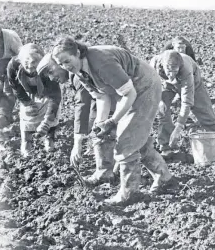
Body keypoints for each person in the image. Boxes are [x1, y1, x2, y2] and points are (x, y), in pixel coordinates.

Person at [50, 37, 173, 204]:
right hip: (126, 92)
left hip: (144, 86)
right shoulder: (78, 71)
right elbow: (101, 96)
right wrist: (100, 124)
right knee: (135, 136)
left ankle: (129, 193)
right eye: (61, 64)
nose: (66, 66)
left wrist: (113, 120)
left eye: (67, 60)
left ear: (77, 53)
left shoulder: (101, 63)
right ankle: (163, 177)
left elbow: (130, 94)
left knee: (127, 140)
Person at [37, 57, 118, 184]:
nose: (52, 79)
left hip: (122, 97)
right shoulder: (74, 74)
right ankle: (111, 167)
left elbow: (82, 105)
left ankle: (106, 173)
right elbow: (91, 104)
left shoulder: (77, 76)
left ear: (59, 64)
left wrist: (77, 144)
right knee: (98, 128)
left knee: (103, 130)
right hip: (108, 99)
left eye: (51, 72)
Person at [151, 50, 215, 153]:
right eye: (169, 72)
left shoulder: (186, 70)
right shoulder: (154, 63)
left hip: (193, 83)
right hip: (166, 85)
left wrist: (178, 127)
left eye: (175, 72)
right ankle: (166, 145)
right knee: (162, 110)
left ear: (179, 67)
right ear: (163, 65)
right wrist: (158, 100)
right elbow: (151, 85)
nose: (171, 75)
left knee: (204, 111)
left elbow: (186, 102)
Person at [7, 44, 62, 157]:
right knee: (27, 114)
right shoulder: (13, 66)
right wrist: (27, 102)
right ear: (22, 63)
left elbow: (55, 97)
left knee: (50, 110)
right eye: (29, 68)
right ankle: (26, 141)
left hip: (46, 91)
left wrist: (46, 122)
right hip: (26, 90)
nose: (32, 71)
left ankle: (50, 138)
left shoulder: (48, 67)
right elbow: (15, 87)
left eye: (35, 68)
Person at [0, 23, 23, 130]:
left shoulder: (10, 37)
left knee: (9, 90)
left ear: (0, 31)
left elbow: (21, 54)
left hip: (12, 63)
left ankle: (5, 115)